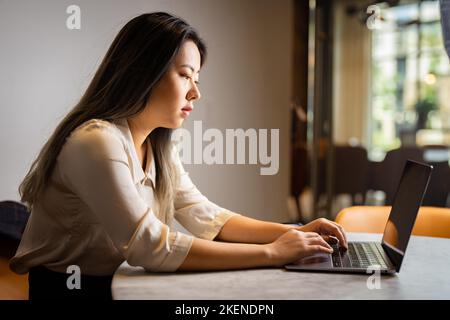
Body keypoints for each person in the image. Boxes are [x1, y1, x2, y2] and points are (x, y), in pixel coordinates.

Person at [10, 12, 347, 300]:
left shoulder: (157, 145)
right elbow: (149, 246)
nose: (195, 92)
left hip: (115, 281)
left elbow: (204, 215)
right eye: (185, 75)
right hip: (71, 291)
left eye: (196, 79)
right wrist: (272, 253)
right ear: (143, 72)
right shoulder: (96, 141)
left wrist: (293, 231)